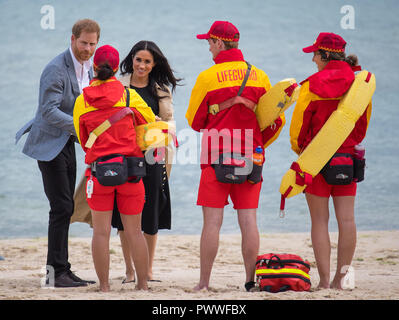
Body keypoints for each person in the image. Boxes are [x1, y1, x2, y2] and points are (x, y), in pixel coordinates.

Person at [185, 21, 285, 291]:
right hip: (251, 156)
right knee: (249, 219)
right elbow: (276, 120)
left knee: (212, 223)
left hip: (216, 156)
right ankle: (251, 282)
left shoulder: (207, 77)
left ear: (219, 43)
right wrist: (259, 142)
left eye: (209, 42)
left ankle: (204, 284)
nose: (208, 47)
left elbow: (195, 122)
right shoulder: (260, 76)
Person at [15, 19, 100, 287]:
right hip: (48, 142)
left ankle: (63, 269)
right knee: (61, 207)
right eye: (84, 43)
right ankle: (55, 273)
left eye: (92, 44)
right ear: (72, 39)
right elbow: (48, 111)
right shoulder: (55, 69)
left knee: (66, 206)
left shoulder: (89, 68)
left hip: (67, 142)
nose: (87, 49)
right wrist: (82, 126)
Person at [290, 32, 372, 289]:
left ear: (325, 55)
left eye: (315, 54)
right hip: (347, 159)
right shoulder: (359, 84)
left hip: (316, 161)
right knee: (347, 220)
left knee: (319, 222)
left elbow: (298, 132)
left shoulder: (311, 86)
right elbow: (362, 126)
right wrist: (345, 144)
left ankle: (324, 282)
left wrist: (303, 152)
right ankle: (340, 280)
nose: (313, 59)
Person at [73, 45, 156, 292]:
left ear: (94, 67)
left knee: (100, 233)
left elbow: (82, 136)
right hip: (130, 171)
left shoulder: (82, 100)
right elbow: (150, 124)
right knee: (135, 232)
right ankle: (141, 285)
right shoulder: (129, 96)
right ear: (118, 67)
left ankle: (105, 287)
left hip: (100, 173)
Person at [112, 40, 181, 283]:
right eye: (138, 59)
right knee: (124, 214)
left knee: (151, 211)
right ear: (132, 59)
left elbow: (169, 122)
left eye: (147, 61)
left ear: (154, 65)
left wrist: (159, 126)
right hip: (123, 156)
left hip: (153, 156)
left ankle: (148, 270)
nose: (141, 65)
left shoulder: (161, 88)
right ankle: (130, 270)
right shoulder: (118, 84)